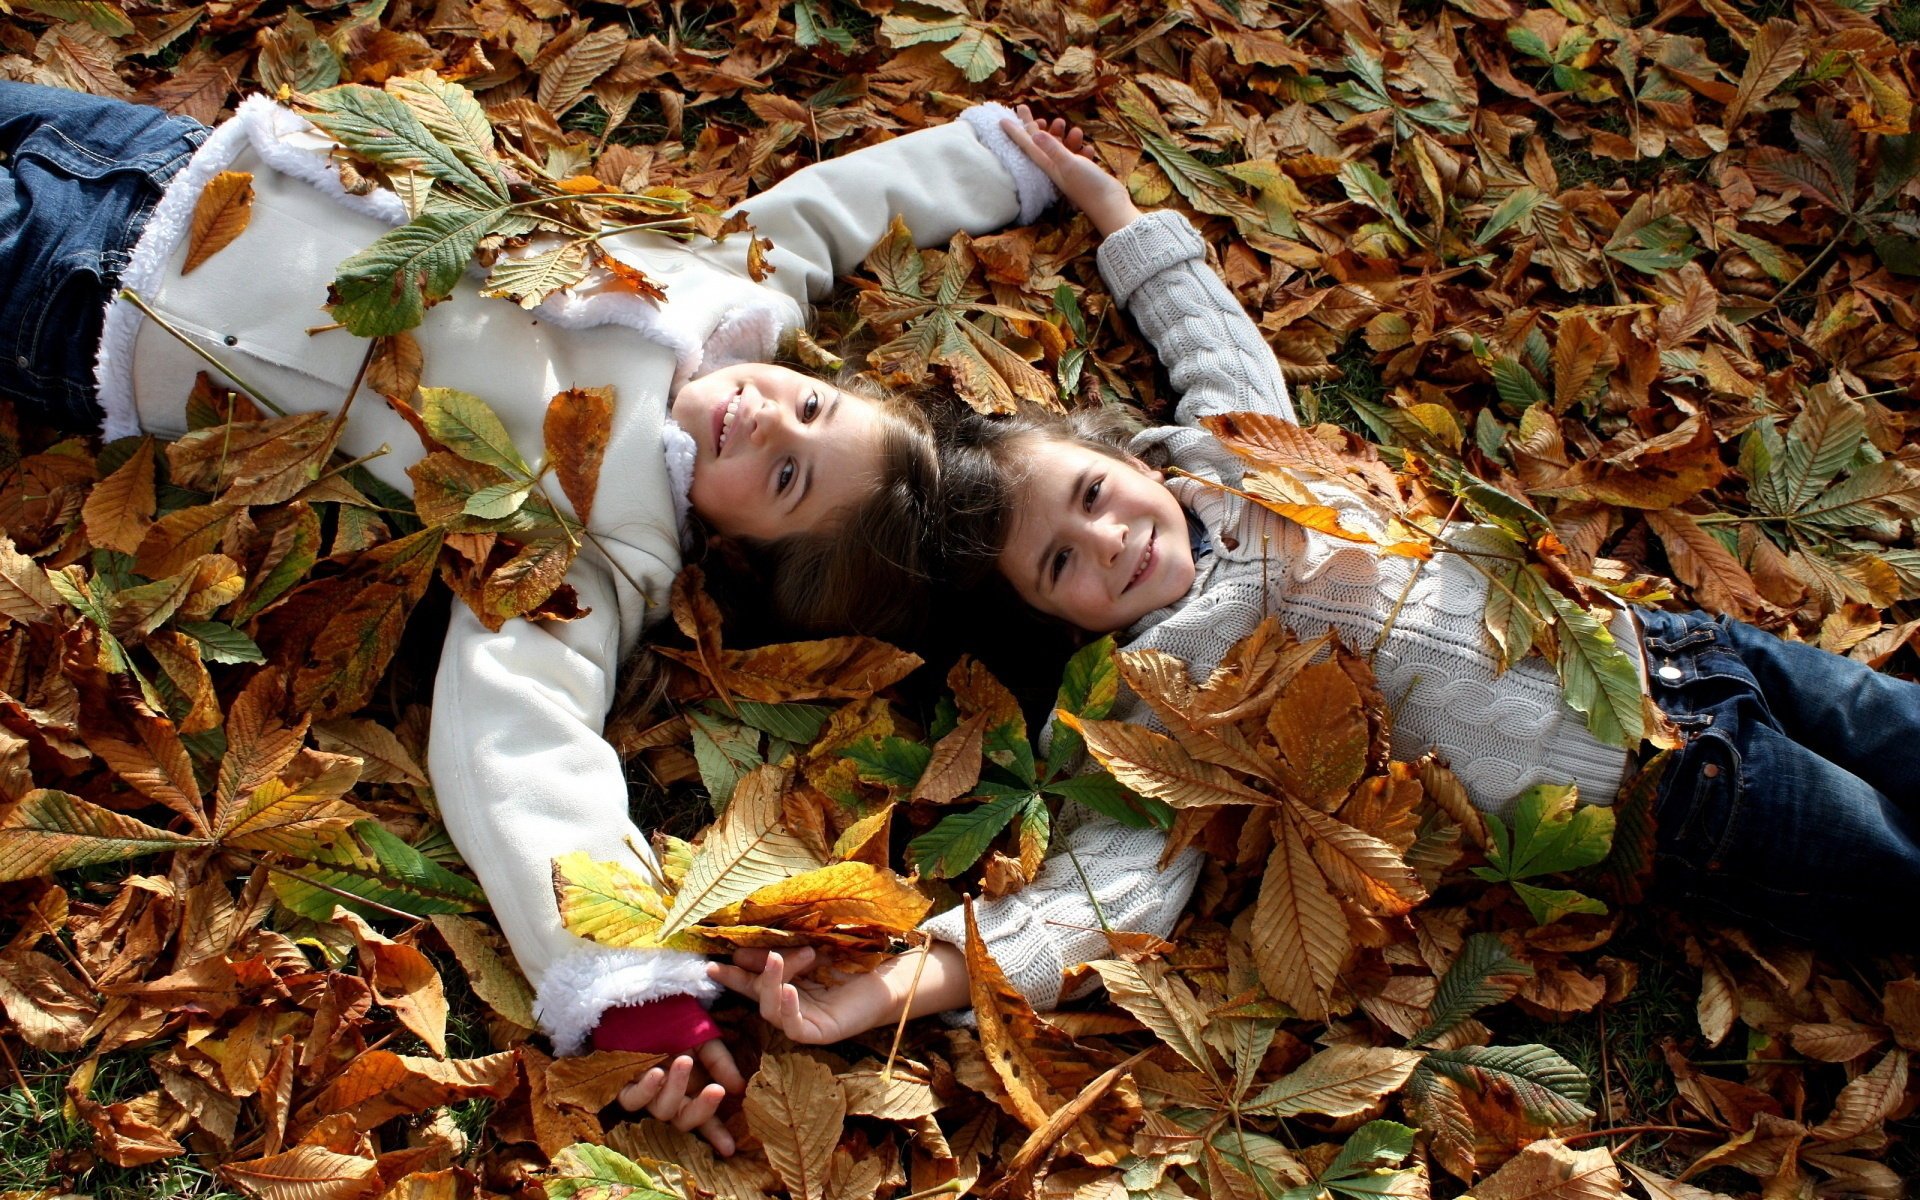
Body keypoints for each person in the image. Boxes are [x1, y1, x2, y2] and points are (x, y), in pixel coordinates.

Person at [0, 79, 1060, 1152]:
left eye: (786, 478)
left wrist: (636, 991)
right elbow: (836, 206)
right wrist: (1000, 159)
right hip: (210, 160)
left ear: (746, 557)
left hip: (108, 301)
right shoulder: (734, 306)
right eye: (813, 406)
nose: (767, 417)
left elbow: (517, 737)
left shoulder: (605, 543)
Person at [713, 107, 1920, 1046]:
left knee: (1895, 722)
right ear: (1048, 619)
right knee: (1891, 865)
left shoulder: (1229, 465)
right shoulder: (1161, 702)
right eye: (1064, 565)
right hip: (1676, 796)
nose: (1114, 541)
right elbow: (1093, 899)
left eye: (1092, 496)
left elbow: (1208, 336)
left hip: (1673, 646)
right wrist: (880, 994)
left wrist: (1109, 202)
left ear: (1112, 456)